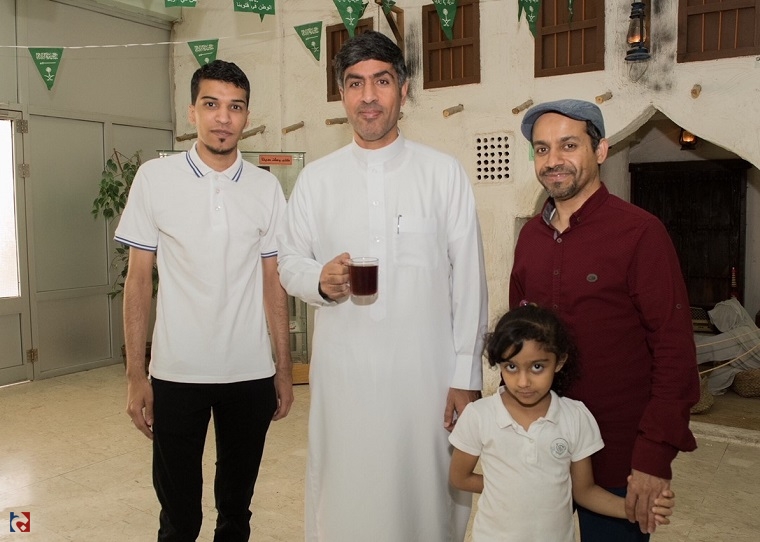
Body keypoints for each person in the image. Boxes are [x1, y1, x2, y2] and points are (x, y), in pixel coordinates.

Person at [277, 31, 488, 541]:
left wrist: (465, 375)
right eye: (355, 83)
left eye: (381, 81)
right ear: (342, 94)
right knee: (346, 492)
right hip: (344, 377)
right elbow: (288, 262)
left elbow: (470, 281)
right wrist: (319, 280)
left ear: (404, 89)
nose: (368, 96)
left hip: (427, 379)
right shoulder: (317, 180)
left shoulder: (443, 174)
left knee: (427, 496)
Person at [117, 60, 294, 541]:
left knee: (236, 513)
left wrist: (282, 369)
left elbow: (273, 282)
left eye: (235, 107)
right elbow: (138, 280)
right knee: (179, 519)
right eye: (211, 104)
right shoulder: (155, 178)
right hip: (176, 374)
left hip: (250, 373)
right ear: (192, 111)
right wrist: (136, 375)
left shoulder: (265, 187)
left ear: (247, 116)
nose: (223, 117)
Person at [510, 99, 700, 541]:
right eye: (542, 149)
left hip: (618, 456)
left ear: (600, 150)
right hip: (542, 451)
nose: (552, 160)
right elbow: (517, 345)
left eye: (568, 145)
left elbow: (674, 352)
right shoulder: (530, 237)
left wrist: (654, 456)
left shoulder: (640, 233)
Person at [449, 304, 676, 541]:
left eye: (537, 367)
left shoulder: (575, 417)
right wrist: (511, 488)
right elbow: (459, 477)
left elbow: (584, 491)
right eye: (511, 367)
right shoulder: (479, 415)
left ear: (559, 362)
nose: (523, 382)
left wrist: (633, 509)